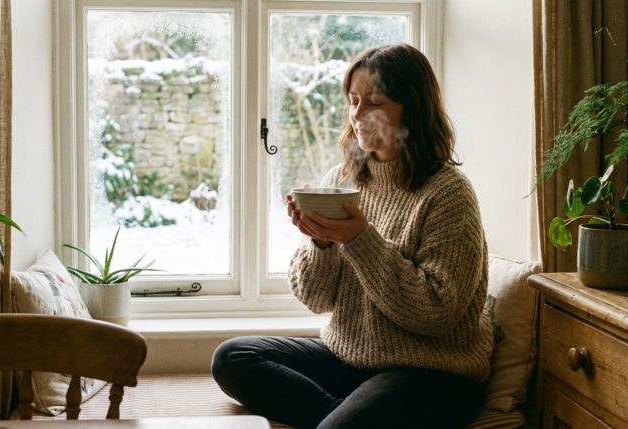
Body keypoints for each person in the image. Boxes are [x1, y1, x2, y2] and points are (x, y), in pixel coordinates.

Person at [211, 43, 493, 429]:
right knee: (233, 358)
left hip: (430, 373)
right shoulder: (342, 181)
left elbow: (436, 313)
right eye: (353, 100)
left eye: (373, 102)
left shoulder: (448, 194)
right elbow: (316, 299)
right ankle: (349, 415)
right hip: (352, 359)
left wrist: (361, 239)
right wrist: (322, 242)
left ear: (411, 108)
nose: (357, 114)